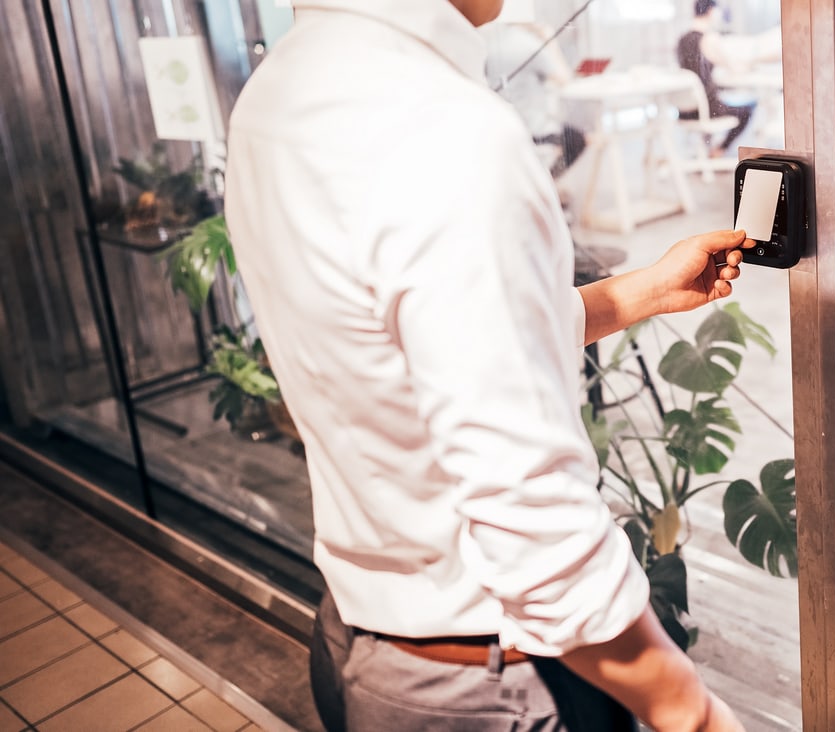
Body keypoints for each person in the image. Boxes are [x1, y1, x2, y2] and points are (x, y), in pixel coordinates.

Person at [222, 0, 751, 729]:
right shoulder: (446, 131)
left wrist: (644, 291)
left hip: (363, 640)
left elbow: (410, 348)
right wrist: (689, 710)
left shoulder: (280, 89)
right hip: (486, 683)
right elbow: (531, 518)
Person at [481, 8, 585, 176]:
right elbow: (564, 79)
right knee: (579, 139)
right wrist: (549, 39)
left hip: (504, 126)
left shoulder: (492, 43)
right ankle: (550, 184)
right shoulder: (529, 44)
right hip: (536, 131)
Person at [676, 0, 755, 156]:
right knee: (749, 107)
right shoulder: (709, 38)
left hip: (686, 109)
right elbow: (732, 66)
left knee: (721, 99)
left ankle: (710, 149)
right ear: (711, 11)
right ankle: (719, 150)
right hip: (707, 109)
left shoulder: (682, 40)